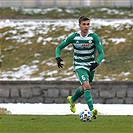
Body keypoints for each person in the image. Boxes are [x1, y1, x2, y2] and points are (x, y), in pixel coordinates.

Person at [55, 16, 104, 119]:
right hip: (79, 66)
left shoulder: (93, 37)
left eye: (88, 24)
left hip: (91, 66)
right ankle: (92, 110)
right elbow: (59, 47)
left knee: (84, 87)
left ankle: (72, 99)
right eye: (84, 24)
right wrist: (58, 57)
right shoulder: (74, 37)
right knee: (87, 86)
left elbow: (101, 54)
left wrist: (97, 63)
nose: (86, 27)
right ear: (79, 25)